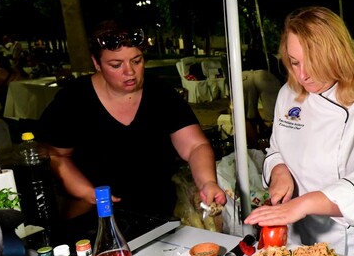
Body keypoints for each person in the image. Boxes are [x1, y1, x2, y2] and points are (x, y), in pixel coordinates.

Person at [244, 6, 354, 256]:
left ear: (336, 55)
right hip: (300, 231)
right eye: (295, 62)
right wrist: (278, 171)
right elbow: (276, 150)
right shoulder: (288, 94)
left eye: (314, 63)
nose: (303, 75)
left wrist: (302, 204)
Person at [37, 22, 226, 220]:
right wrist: (86, 192)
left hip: (157, 213)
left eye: (136, 61)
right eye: (116, 65)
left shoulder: (161, 93)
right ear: (96, 63)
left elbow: (195, 146)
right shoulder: (74, 99)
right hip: (94, 217)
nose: (130, 72)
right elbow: (55, 155)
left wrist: (207, 182)